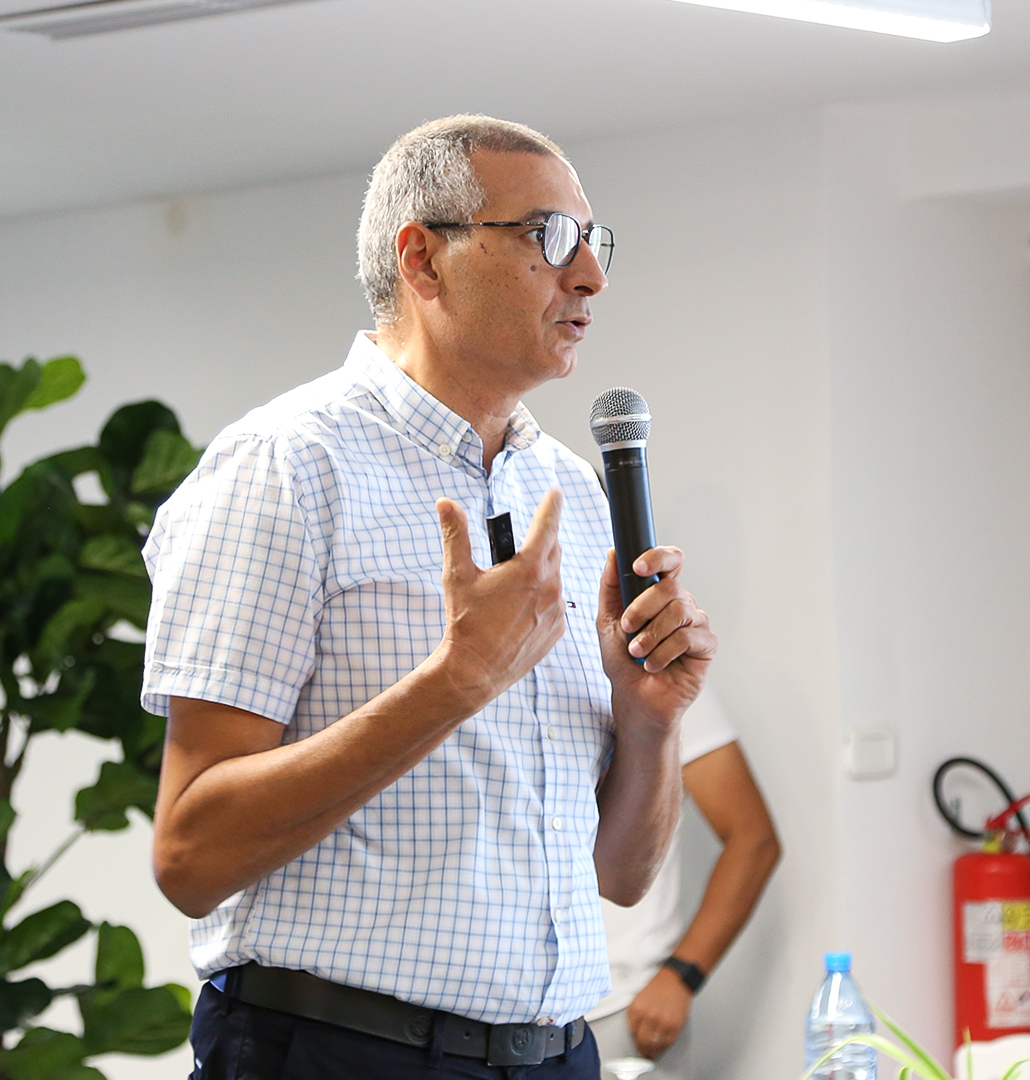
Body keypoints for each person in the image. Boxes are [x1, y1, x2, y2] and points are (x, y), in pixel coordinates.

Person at [141, 114, 719, 1080]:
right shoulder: (286, 466)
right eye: (550, 238)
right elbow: (190, 856)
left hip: (555, 1054)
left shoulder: (573, 492)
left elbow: (620, 877)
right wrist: (457, 681)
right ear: (423, 259)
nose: (590, 277)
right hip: (342, 1054)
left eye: (594, 243)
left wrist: (651, 720)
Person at [588, 692, 780, 1077]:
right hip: (500, 1017)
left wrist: (680, 976)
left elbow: (753, 839)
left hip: (620, 1007)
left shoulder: (659, 679)